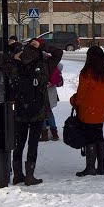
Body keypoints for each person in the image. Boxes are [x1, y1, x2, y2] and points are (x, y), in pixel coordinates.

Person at [9, 37, 63, 185]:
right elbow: (58, 53)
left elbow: (7, 67)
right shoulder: (44, 65)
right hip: (38, 110)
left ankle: (17, 175)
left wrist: (15, 56)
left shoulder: (16, 65)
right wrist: (43, 45)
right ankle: (30, 176)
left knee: (19, 143)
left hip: (20, 109)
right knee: (33, 143)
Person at [70, 45, 104, 176]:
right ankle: (101, 167)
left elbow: (82, 92)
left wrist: (75, 101)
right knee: (99, 135)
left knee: (89, 137)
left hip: (88, 109)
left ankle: (90, 167)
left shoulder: (87, 72)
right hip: (101, 109)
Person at [41, 61, 64, 142]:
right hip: (51, 90)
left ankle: (44, 134)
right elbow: (60, 66)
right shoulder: (50, 59)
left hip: (41, 90)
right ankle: (54, 133)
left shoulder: (38, 59)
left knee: (41, 113)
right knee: (49, 112)